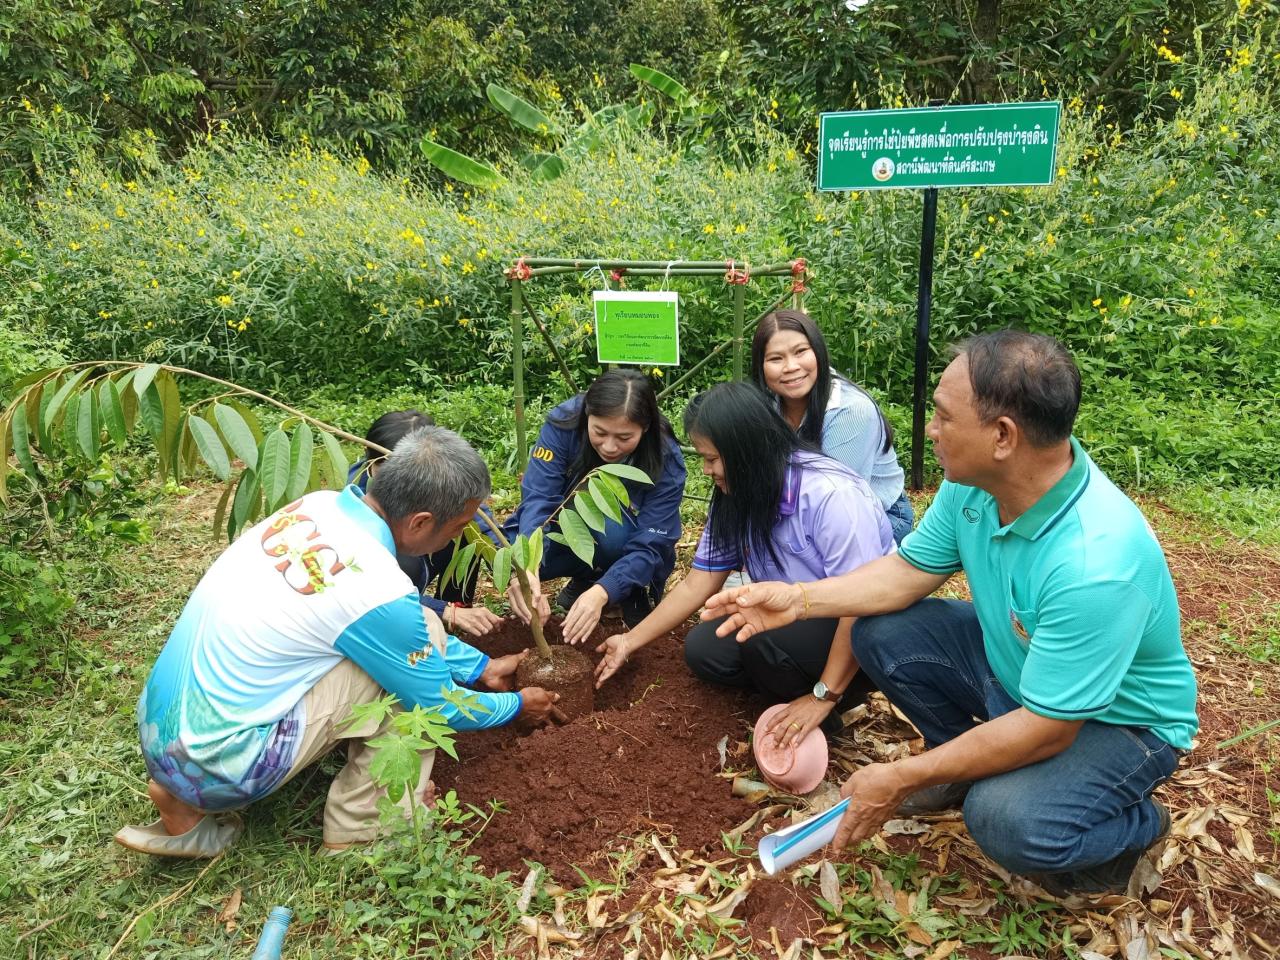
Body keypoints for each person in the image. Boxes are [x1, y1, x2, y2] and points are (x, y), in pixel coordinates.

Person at [706, 330, 1198, 898]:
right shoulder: (974, 487)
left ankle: (1137, 826)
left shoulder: (1096, 562)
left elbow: (1048, 728)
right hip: (1018, 671)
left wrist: (901, 777)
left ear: (1003, 437)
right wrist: (799, 599)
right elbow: (904, 575)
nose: (930, 431)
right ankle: (958, 763)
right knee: (880, 630)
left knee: (1006, 820)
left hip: (1115, 722)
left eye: (941, 417)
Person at [115, 426, 562, 859]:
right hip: (225, 767)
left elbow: (408, 626)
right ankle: (365, 828)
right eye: (458, 526)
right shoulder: (378, 588)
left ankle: (182, 804)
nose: (457, 537)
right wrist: (520, 705)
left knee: (419, 622)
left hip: (165, 738)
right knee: (408, 690)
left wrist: (481, 668)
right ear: (421, 521)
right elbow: (441, 705)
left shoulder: (318, 507)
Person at [594, 382, 895, 744]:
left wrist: (823, 696)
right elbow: (699, 582)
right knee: (705, 650)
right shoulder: (738, 494)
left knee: (763, 641)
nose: (707, 471)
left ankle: (830, 705)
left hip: (862, 626)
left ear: (746, 450)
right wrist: (629, 641)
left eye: (712, 458)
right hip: (791, 618)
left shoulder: (831, 496)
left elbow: (859, 605)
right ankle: (786, 682)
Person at [501, 368, 686, 646]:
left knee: (612, 532)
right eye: (599, 432)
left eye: (624, 438)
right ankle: (585, 578)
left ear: (645, 428)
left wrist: (605, 591)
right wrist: (529, 565)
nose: (609, 447)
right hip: (564, 534)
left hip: (620, 543)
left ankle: (625, 589)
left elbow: (652, 542)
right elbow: (540, 498)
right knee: (510, 543)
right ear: (587, 415)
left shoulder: (665, 456)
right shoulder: (564, 424)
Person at [752, 309, 914, 544]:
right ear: (761, 366)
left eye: (800, 352)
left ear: (818, 351)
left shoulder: (850, 410)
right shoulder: (766, 404)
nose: (791, 366)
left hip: (876, 514)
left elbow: (835, 502)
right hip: (797, 509)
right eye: (776, 358)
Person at [349, 409, 503, 637]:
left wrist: (512, 567)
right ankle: (419, 616)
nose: (403, 483)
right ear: (370, 462)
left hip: (424, 548)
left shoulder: (440, 479)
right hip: (390, 589)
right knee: (407, 565)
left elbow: (480, 521)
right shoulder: (356, 509)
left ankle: (457, 611)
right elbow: (364, 592)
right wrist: (439, 610)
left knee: (466, 533)